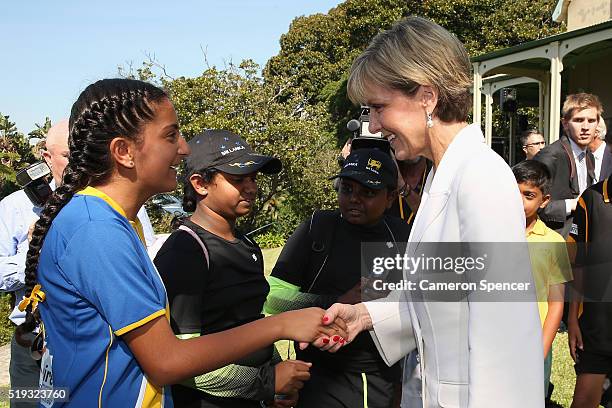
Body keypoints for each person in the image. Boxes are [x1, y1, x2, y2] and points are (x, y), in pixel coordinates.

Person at [16, 78, 345, 407]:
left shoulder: (112, 220)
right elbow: (166, 362)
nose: (184, 148)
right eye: (170, 135)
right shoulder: (97, 230)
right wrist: (281, 326)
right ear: (124, 152)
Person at [318, 16, 543, 407]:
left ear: (427, 97)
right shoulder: (445, 175)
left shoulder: (480, 177)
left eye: (379, 107)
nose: (373, 125)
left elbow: (507, 337)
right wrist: (365, 317)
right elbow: (440, 294)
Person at [154, 129, 310, 408]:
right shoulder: (185, 252)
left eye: (253, 178)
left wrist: (276, 384)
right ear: (200, 184)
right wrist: (266, 382)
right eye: (238, 179)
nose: (251, 187)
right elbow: (182, 364)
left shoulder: (247, 245)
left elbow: (253, 323)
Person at [265, 148, 410, 407]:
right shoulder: (317, 227)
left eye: (368, 192)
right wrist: (335, 301)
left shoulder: (403, 236)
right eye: (347, 189)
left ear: (390, 198)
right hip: (315, 376)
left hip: (377, 377)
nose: (354, 199)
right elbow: (272, 299)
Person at [0, 120, 69, 408]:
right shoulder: (15, 207)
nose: (78, 162)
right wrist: (33, 249)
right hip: (31, 344)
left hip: (87, 341)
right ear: (47, 158)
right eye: (68, 155)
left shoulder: (119, 202)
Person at [512, 160, 572, 402]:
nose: (518, 201)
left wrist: (541, 349)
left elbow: (556, 303)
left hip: (534, 341)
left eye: (528, 195)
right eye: (513, 192)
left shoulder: (553, 243)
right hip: (493, 339)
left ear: (544, 201)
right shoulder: (490, 234)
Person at [567, 172, 612, 408]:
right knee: (584, 401)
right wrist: (573, 318)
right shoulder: (591, 199)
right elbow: (578, 264)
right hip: (597, 328)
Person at [534, 93, 601, 238]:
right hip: (553, 244)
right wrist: (573, 204)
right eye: (578, 120)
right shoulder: (550, 156)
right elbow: (531, 205)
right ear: (565, 124)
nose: (585, 127)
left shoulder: (588, 155)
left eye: (591, 120)